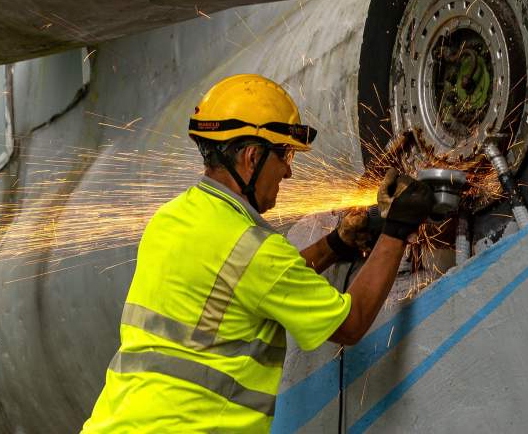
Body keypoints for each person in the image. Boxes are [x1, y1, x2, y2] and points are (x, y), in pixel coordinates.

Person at [82, 74, 433, 433]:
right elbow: (350, 322)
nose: (289, 172)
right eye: (285, 155)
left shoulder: (170, 219)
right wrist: (396, 229)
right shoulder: (253, 248)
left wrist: (335, 245)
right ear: (252, 158)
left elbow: (253, 284)